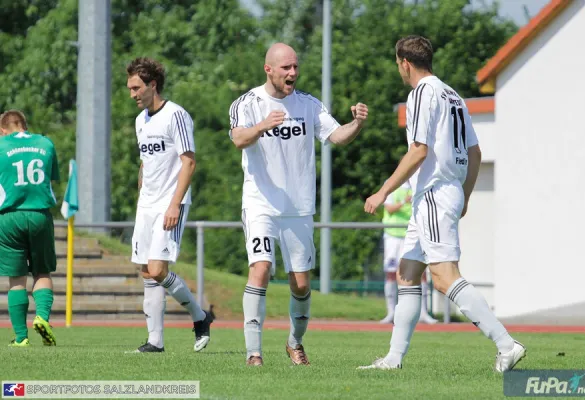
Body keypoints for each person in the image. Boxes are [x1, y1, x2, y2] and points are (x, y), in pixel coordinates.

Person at [360, 36, 525, 372]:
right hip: (438, 195)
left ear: (404, 62)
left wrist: (382, 192)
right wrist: (464, 194)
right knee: (408, 274)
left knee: (444, 277)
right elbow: (476, 152)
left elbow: (419, 150)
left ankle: (506, 344)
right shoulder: (454, 95)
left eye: (397, 63)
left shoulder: (422, 93)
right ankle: (393, 358)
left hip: (434, 193)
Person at [228, 43, 368, 366]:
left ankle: (294, 343)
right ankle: (253, 353)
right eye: (285, 68)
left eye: (295, 67)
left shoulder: (308, 104)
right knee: (260, 269)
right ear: (268, 69)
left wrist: (357, 125)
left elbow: (336, 136)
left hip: (299, 208)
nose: (292, 73)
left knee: (301, 284)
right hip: (260, 203)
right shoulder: (247, 103)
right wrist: (263, 126)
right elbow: (237, 139)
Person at [126, 57, 213, 353]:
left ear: (153, 85)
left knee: (158, 269)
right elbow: (145, 162)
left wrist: (174, 205)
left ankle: (200, 317)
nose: (133, 94)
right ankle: (155, 342)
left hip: (169, 203)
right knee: (147, 271)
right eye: (130, 88)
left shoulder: (176, 115)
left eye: (137, 88)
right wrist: (141, 195)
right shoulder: (140, 121)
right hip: (146, 205)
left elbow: (189, 161)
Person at [0, 110, 59, 347]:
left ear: (3, 130)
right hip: (39, 215)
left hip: (9, 217)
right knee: (42, 272)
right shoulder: (45, 143)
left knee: (17, 279)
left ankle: (21, 338)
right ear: (25, 125)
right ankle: (42, 318)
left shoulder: (1, 146)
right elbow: (50, 178)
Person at [380, 182, 437, 324]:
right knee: (391, 272)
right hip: (393, 235)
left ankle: (423, 312)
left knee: (420, 272)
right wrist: (404, 202)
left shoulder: (420, 182)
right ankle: (391, 312)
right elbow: (389, 208)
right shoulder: (392, 184)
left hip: (413, 234)